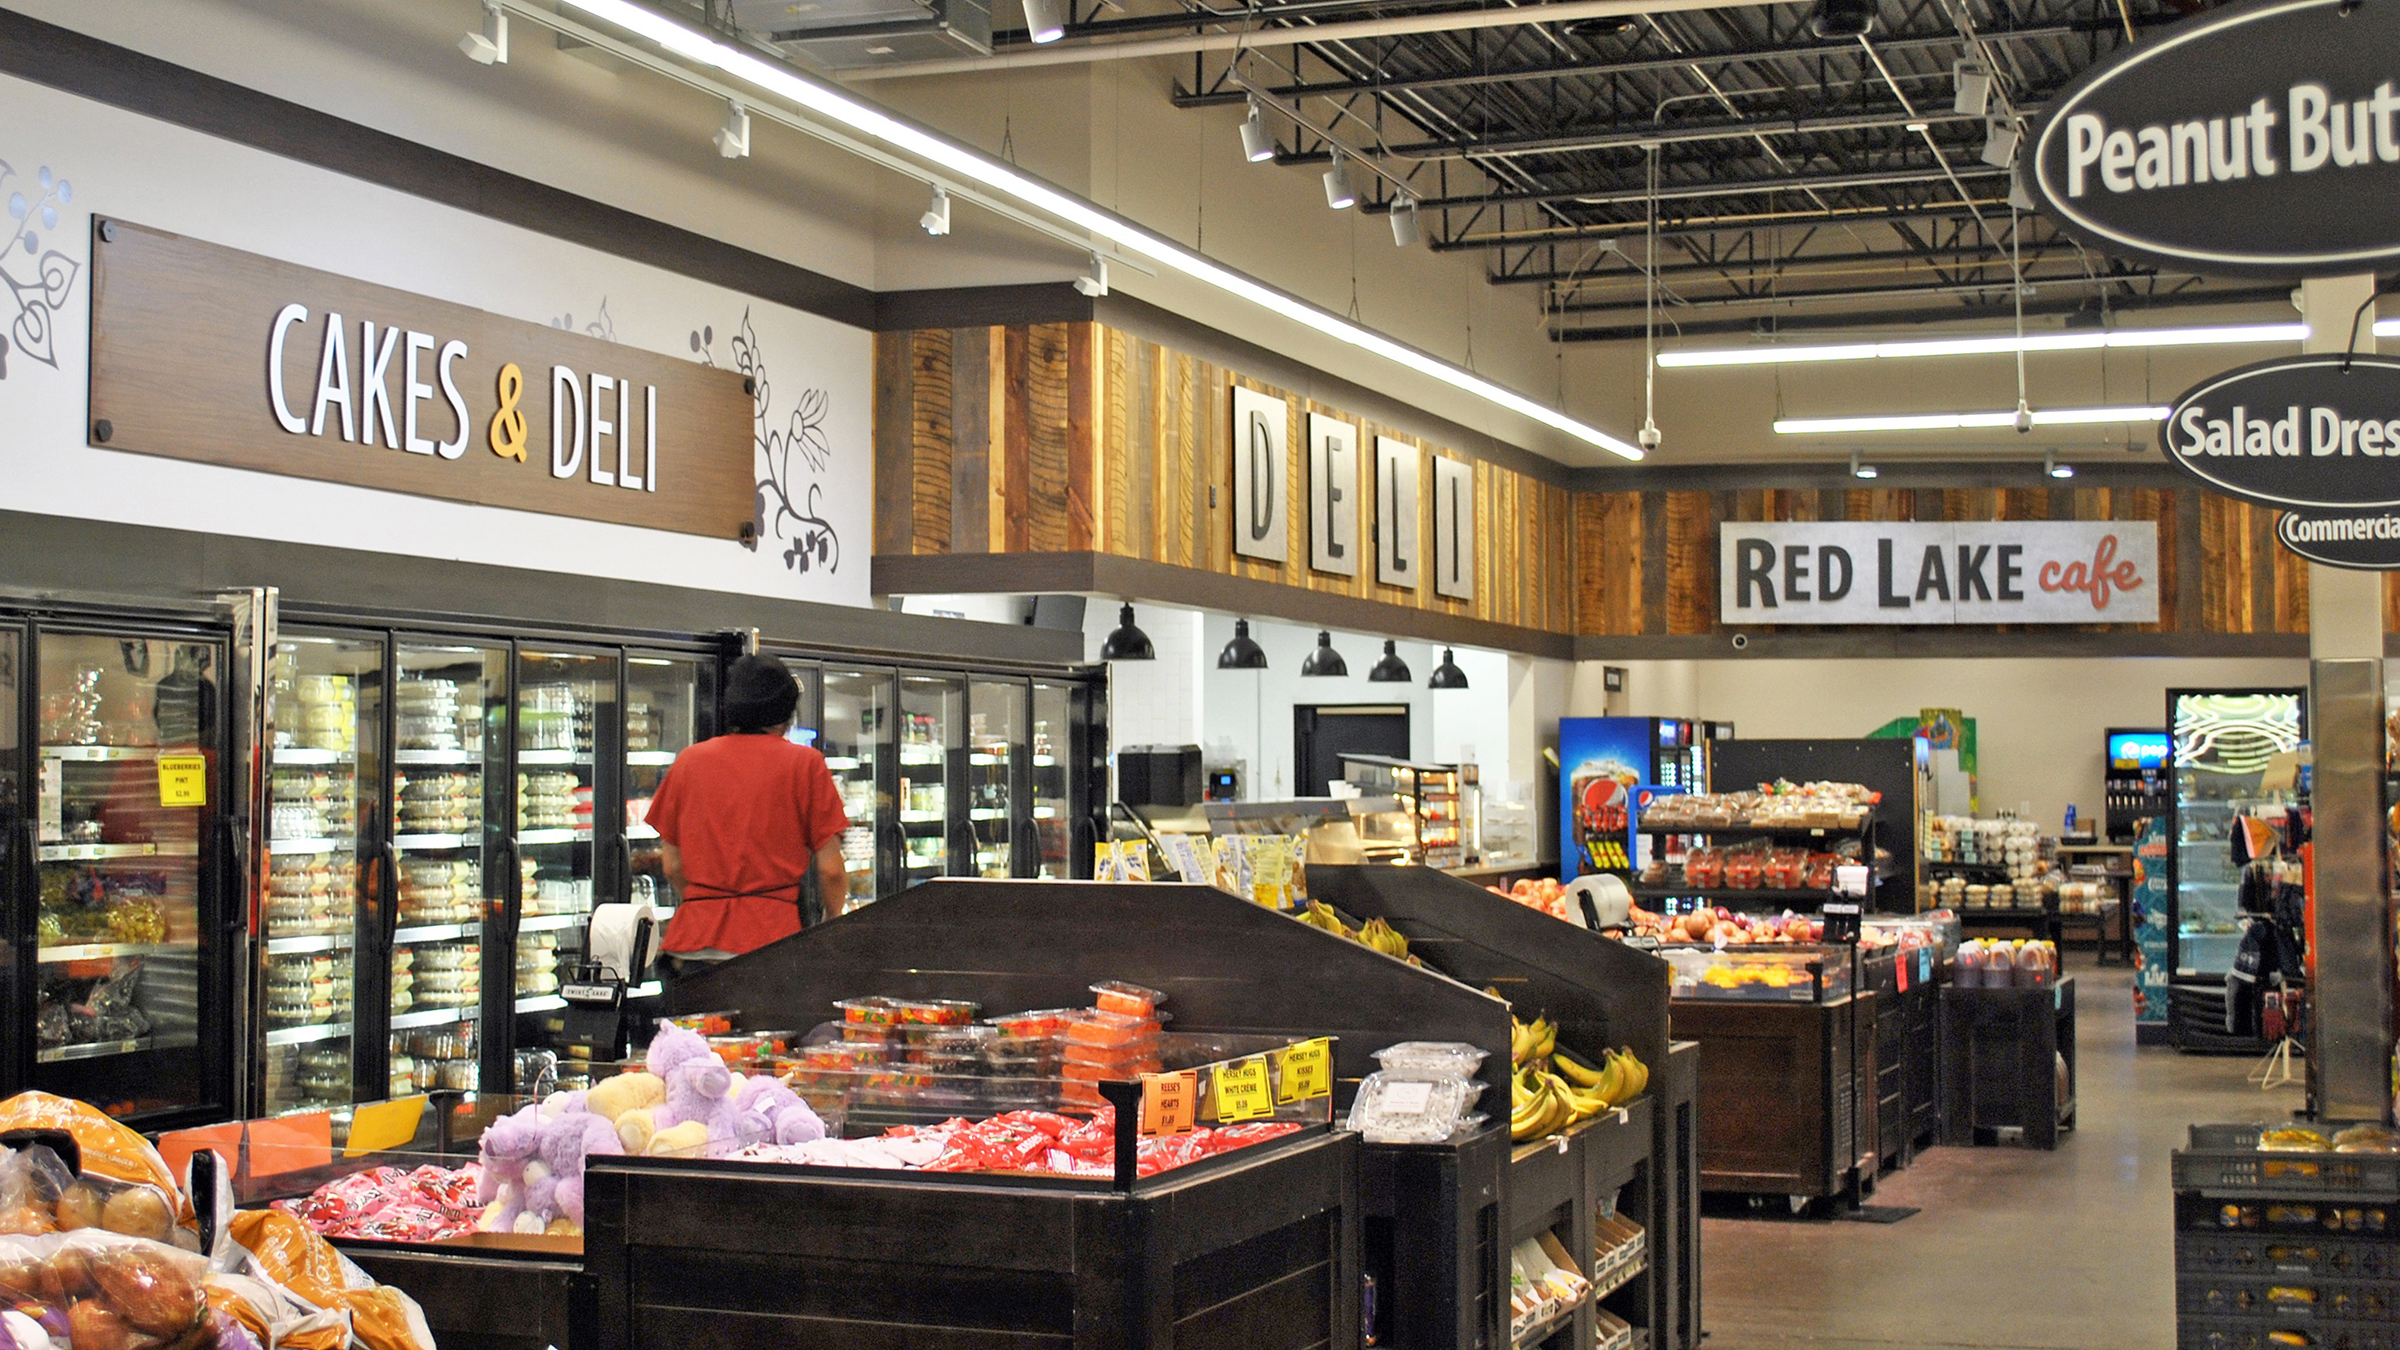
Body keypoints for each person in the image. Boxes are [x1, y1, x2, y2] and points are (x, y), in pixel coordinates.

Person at [647, 656, 850, 967]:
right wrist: (832, 919)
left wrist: (708, 903)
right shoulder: (804, 765)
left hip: (692, 942)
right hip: (771, 941)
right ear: (787, 712)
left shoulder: (689, 761)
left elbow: (672, 866)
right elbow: (831, 870)